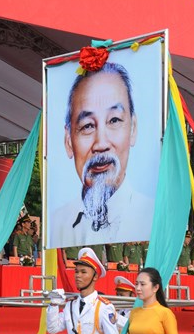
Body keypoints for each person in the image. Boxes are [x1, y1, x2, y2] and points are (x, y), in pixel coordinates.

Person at [50, 62, 155, 247]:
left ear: (133, 129)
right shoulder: (56, 224)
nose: (101, 144)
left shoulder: (154, 215)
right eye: (87, 126)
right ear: (68, 140)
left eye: (114, 120)